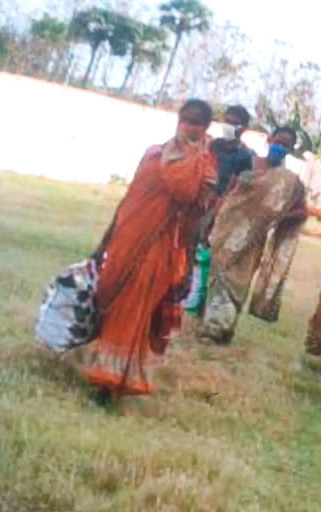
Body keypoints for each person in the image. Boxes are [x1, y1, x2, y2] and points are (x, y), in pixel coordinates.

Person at [80, 99, 217, 401]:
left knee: (135, 307)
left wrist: (189, 264)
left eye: (197, 122)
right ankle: (99, 367)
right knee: (109, 298)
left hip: (162, 247)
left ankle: (112, 382)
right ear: (178, 119)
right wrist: (105, 241)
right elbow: (130, 198)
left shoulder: (205, 167)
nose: (190, 127)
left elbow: (196, 218)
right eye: (186, 119)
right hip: (126, 239)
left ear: (206, 128)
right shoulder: (153, 154)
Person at [196, 126, 308, 345]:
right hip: (227, 229)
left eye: (287, 145)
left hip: (254, 238)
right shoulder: (249, 162)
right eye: (279, 141)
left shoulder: (289, 180)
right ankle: (211, 325)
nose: (281, 147)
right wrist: (212, 218)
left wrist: (278, 215)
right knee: (219, 274)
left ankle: (221, 328)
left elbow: (302, 211)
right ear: (269, 140)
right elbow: (230, 193)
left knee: (238, 281)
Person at [184, 105, 255, 317]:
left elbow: (236, 187)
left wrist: (217, 210)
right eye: (226, 120)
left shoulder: (244, 156)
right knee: (188, 246)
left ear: (243, 128)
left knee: (206, 253)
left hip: (221, 209)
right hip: (198, 201)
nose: (228, 125)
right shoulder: (212, 145)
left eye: (233, 122)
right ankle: (183, 290)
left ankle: (197, 301)